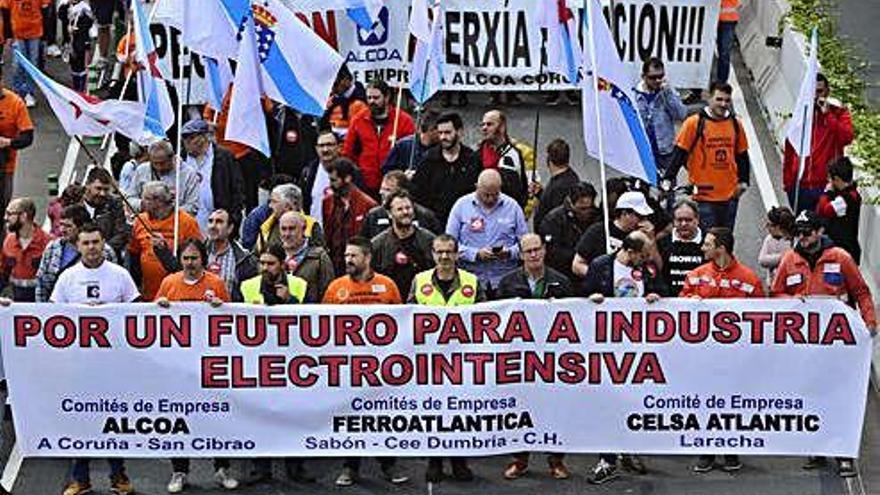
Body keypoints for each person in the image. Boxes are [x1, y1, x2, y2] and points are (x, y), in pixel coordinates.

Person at [770, 210, 876, 478]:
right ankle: (816, 447)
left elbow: (861, 292)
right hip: (805, 347)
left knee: (841, 397)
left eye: (807, 233)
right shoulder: (789, 260)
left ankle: (844, 454)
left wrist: (870, 322)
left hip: (837, 346)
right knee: (810, 393)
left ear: (819, 232)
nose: (802, 238)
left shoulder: (840, 258)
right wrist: (793, 302)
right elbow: (776, 293)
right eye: (799, 233)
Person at [50, 224, 138, 495]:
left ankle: (118, 476)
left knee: (112, 419)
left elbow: (136, 313)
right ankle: (80, 479)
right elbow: (52, 318)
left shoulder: (120, 275)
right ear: (78, 245)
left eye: (96, 242)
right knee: (81, 420)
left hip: (113, 364)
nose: (91, 247)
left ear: (103, 244)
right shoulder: (67, 278)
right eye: (86, 243)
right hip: (79, 364)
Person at [322, 237, 409, 487]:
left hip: (381, 368)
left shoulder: (387, 286)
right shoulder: (336, 287)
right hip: (348, 367)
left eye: (353, 256)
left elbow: (401, 323)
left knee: (381, 417)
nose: (348, 260)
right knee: (350, 417)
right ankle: (350, 467)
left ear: (367, 258)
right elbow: (322, 324)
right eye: (346, 255)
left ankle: (389, 464)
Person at [155, 239, 238, 493]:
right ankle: (179, 471)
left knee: (217, 416)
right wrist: (159, 306)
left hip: (210, 364)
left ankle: (221, 468)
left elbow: (231, 319)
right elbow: (151, 318)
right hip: (178, 366)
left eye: (194, 258)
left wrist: (219, 308)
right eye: (185, 259)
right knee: (179, 418)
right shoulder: (169, 283)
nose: (190, 263)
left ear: (203, 259)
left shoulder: (216, 283)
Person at [679, 226, 763, 474]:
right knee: (704, 401)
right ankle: (706, 451)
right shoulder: (695, 275)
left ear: (720, 249)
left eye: (707, 244)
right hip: (701, 356)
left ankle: (731, 450)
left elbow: (762, 319)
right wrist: (688, 302)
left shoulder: (749, 279)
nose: (702, 247)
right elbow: (678, 306)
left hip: (735, 358)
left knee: (732, 402)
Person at [583, 230, 662, 484]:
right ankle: (607, 458)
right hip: (607, 348)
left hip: (639, 348)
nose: (648, 259)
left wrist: (655, 296)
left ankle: (627, 449)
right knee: (608, 402)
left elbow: (663, 289)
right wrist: (591, 299)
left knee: (633, 401)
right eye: (644, 254)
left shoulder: (647, 270)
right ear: (631, 251)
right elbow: (582, 296)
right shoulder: (601, 266)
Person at [497, 233, 572, 480]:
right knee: (519, 410)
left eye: (537, 249)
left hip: (553, 360)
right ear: (520, 254)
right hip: (519, 360)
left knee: (555, 410)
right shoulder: (507, 283)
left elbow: (574, 316)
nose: (533, 254)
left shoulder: (561, 282)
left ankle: (556, 460)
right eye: (528, 251)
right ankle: (520, 460)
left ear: (544, 250)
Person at [237, 242, 313, 484]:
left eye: (270, 263)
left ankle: (295, 466)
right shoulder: (247, 286)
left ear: (282, 264)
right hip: (257, 360)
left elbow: (313, 321)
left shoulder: (300, 286)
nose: (265, 267)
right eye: (262, 263)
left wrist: (289, 301)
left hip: (293, 360)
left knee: (294, 414)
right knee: (259, 415)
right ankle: (261, 467)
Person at [408, 234, 481, 483]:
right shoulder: (419, 281)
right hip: (429, 362)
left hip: (463, 360)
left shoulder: (473, 281)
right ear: (432, 254)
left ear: (457, 254)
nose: (444, 257)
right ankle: (434, 462)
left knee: (461, 413)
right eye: (440, 252)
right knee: (433, 413)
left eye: (449, 252)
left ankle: (460, 462)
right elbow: (407, 318)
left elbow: (486, 319)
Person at [666, 81, 750, 232]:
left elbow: (742, 154)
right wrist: (667, 179)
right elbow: (679, 154)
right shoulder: (693, 124)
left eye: (727, 100)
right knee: (708, 242)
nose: (723, 104)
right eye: (719, 99)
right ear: (709, 98)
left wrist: (744, 182)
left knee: (725, 240)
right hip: (703, 197)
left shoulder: (736, 124)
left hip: (730, 196)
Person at [446, 169, 528, 294]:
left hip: (505, 279)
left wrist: (510, 252)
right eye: (486, 194)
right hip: (470, 280)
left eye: (495, 194)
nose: (490, 199)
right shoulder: (461, 206)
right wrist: (475, 254)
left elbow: (526, 244)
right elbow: (449, 244)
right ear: (476, 187)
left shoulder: (513, 207)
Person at [783, 74, 855, 213]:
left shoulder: (838, 112)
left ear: (827, 92)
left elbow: (847, 137)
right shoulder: (802, 112)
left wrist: (828, 115)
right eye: (812, 92)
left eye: (819, 91)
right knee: (801, 230)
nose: (815, 96)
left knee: (821, 231)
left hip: (826, 187)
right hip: (800, 186)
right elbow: (790, 145)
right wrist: (788, 182)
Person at [203, 85, 273, 212]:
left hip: (246, 150)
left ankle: (252, 224)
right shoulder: (220, 86)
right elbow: (208, 115)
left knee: (250, 194)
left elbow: (268, 108)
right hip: (224, 152)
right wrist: (209, 124)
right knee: (226, 191)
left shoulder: (249, 84)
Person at [128, 181, 202, 301]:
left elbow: (197, 257)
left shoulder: (186, 222)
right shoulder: (140, 220)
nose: (141, 203)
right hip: (148, 294)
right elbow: (134, 256)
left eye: (146, 199)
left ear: (158, 201)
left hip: (177, 294)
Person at [342, 79, 415, 197]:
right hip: (365, 184)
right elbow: (348, 153)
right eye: (369, 97)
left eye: (376, 98)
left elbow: (411, 152)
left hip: (394, 186)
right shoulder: (358, 120)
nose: (371, 101)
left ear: (386, 97)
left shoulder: (403, 121)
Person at [411, 112, 481, 225]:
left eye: (448, 133)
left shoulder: (472, 159)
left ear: (459, 132)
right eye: (440, 133)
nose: (443, 137)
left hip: (465, 221)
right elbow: (417, 194)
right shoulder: (428, 159)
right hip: (433, 223)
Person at [36, 204, 116, 302]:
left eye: (68, 226)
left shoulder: (104, 251)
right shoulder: (53, 248)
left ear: (81, 227)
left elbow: (114, 282)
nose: (62, 230)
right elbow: (42, 283)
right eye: (61, 225)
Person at [180, 118, 246, 232]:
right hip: (188, 221)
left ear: (204, 137)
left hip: (217, 220)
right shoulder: (181, 158)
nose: (187, 142)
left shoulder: (224, 156)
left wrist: (234, 218)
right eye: (184, 138)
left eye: (191, 137)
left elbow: (237, 189)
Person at [571, 190, 653, 280]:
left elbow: (654, 267)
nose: (643, 221)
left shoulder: (642, 236)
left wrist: (651, 239)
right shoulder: (598, 231)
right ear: (625, 213)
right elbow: (577, 265)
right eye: (640, 217)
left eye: (646, 217)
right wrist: (600, 278)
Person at [635, 57, 688, 193]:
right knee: (642, 191)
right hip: (644, 152)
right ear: (643, 76)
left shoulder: (667, 92)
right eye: (653, 78)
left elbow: (681, 114)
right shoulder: (634, 96)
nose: (658, 81)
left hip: (665, 152)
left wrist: (668, 93)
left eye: (661, 77)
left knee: (668, 190)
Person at [371, 190, 435, 295]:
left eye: (408, 208)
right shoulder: (377, 245)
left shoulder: (429, 241)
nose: (405, 212)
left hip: (422, 301)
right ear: (389, 214)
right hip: (390, 303)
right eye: (399, 209)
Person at [323, 159, 378, 274]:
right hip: (334, 264)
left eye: (334, 180)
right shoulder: (327, 202)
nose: (330, 185)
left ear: (347, 178)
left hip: (358, 265)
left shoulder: (368, 205)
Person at [538, 182, 600, 281]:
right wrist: (580, 255)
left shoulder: (598, 217)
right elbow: (552, 253)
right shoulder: (553, 220)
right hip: (564, 275)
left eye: (590, 208)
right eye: (582, 209)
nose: (586, 213)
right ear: (571, 203)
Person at [125, 140, 199, 216]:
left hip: (177, 223)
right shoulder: (141, 171)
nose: (159, 167)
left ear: (172, 158)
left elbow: (193, 206)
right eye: (155, 163)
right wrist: (142, 204)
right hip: (146, 223)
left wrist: (168, 211)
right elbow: (129, 199)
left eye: (162, 163)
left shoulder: (188, 173)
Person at [361, 171, 440, 239]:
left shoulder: (425, 216)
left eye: (388, 190)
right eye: (382, 189)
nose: (381, 193)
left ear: (402, 191)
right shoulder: (373, 215)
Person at [277, 211, 334, 303]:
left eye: (292, 229)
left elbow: (328, 293)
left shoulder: (319, 257)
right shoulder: (272, 255)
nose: (287, 234)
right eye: (283, 229)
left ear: (304, 229)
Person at [0, 197, 50, 301]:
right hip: (15, 301)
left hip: (40, 302)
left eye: (9, 214)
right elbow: (2, 272)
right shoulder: (8, 241)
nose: (5, 217)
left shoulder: (48, 242)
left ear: (23, 216)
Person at [0, 65, 34, 218]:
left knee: (2, 209)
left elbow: (27, 137)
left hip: (5, 166)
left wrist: (8, 142)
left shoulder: (15, 103)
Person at [2, 0, 49, 106]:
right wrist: (8, 35)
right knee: (18, 64)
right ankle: (18, 92)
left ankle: (29, 92)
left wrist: (46, 35)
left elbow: (45, 10)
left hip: (35, 31)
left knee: (32, 64)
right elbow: (5, 11)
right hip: (17, 32)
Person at [478, 110, 529, 206]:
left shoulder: (512, 155)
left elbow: (519, 192)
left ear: (502, 127)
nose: (484, 128)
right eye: (483, 124)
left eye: (489, 124)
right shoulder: (478, 153)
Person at [254, 183, 323, 253]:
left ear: (287, 206)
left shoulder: (311, 225)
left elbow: (319, 256)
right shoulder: (267, 227)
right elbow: (256, 255)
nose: (270, 206)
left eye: (274, 202)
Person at [816, 157, 862, 263]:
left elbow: (826, 210)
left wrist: (827, 192)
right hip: (837, 248)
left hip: (844, 250)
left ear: (836, 179)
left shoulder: (848, 197)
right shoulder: (843, 193)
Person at [205, 208, 257, 298]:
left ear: (230, 228)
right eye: (210, 221)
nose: (213, 226)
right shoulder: (197, 252)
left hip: (230, 310)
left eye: (219, 222)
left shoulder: (244, 258)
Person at [656, 199, 704, 295]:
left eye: (688, 220)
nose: (683, 224)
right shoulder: (662, 243)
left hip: (700, 300)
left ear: (697, 219)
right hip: (668, 301)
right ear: (673, 221)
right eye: (679, 220)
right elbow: (656, 274)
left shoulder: (708, 242)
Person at [82, 167, 130, 258]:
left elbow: (121, 233)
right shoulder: (75, 202)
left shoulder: (115, 204)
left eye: (106, 189)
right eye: (98, 189)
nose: (102, 193)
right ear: (87, 185)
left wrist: (101, 250)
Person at [532, 139, 581, 229]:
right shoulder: (569, 177)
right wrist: (540, 194)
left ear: (549, 160)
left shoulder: (559, 187)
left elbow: (556, 215)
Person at [300, 129, 341, 225]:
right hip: (315, 232)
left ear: (338, 147)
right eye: (321, 146)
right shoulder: (308, 173)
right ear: (316, 148)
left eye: (329, 145)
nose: (325, 149)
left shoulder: (350, 172)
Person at [381, 109, 439, 175]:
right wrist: (403, 177)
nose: (442, 135)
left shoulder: (440, 149)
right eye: (440, 131)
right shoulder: (403, 145)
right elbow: (386, 170)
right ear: (431, 130)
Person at [322, 65, 368, 137]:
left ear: (346, 80)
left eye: (335, 84)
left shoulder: (360, 103)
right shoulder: (331, 100)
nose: (332, 89)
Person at [758, 205, 794, 285]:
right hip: (774, 282)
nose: (766, 227)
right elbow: (762, 260)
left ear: (778, 227)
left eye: (769, 225)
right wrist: (784, 257)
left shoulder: (796, 240)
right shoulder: (769, 239)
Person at [62, 0, 93, 91]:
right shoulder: (67, 6)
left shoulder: (85, 9)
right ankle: (76, 88)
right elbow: (61, 16)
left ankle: (82, 90)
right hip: (71, 44)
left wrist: (77, 30)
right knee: (74, 66)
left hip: (82, 43)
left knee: (82, 67)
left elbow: (88, 24)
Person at [716, 0, 739, 84]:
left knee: (724, 52)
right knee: (722, 51)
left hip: (727, 19)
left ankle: (721, 82)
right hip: (713, 16)